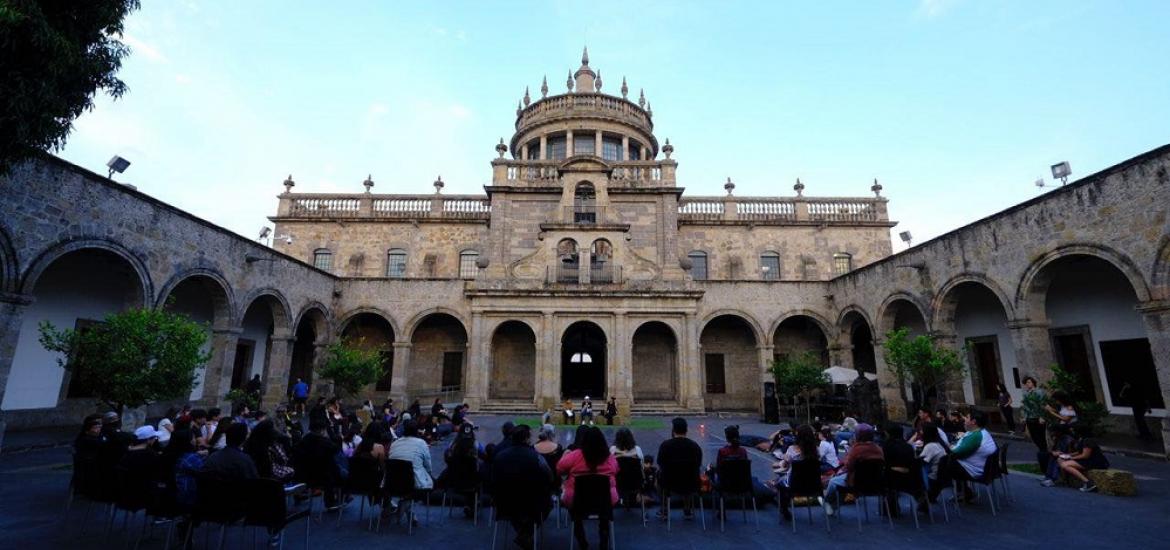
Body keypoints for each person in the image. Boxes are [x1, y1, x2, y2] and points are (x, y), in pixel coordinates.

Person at [492, 424, 553, 550]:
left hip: (504, 502)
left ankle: (522, 532)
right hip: (531, 503)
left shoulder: (499, 457)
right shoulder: (536, 457)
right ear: (527, 439)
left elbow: (493, 479)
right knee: (547, 504)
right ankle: (526, 533)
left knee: (514, 509)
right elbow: (549, 476)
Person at [557, 426, 618, 550]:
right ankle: (604, 540)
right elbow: (615, 469)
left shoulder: (575, 455)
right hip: (604, 500)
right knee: (604, 510)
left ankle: (582, 541)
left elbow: (560, 468)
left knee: (574, 510)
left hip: (578, 500)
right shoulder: (608, 457)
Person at [823, 423, 883, 517]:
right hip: (876, 483)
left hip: (856, 481)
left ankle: (827, 502)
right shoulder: (879, 449)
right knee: (841, 482)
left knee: (833, 482)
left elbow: (848, 466)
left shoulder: (857, 449)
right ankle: (832, 506)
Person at [655, 417, 703, 520]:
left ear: (673, 430)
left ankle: (664, 510)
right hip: (690, 482)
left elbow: (660, 463)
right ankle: (687, 509)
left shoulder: (665, 446)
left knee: (659, 477)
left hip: (670, 483)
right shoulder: (695, 446)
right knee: (688, 475)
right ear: (686, 430)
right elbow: (698, 464)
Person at [770, 424, 818, 521]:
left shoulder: (792, 449)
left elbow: (784, 465)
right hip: (813, 484)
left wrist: (783, 461)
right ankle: (784, 506)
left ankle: (784, 509)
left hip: (795, 484)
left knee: (779, 482)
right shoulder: (816, 450)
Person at [294, 418, 344, 507]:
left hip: (306, 475)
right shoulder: (324, 442)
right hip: (323, 476)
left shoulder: (303, 441)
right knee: (337, 470)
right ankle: (332, 502)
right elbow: (337, 449)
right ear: (322, 430)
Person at [948, 411, 997, 502]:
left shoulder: (976, 436)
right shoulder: (980, 432)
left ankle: (931, 494)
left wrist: (948, 446)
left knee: (945, 463)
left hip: (975, 470)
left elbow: (955, 453)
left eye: (966, 418)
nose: (964, 420)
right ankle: (964, 492)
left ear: (973, 422)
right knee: (947, 462)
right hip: (982, 468)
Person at [386, 420, 433, 511]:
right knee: (429, 483)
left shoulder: (395, 443)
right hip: (413, 484)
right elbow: (428, 466)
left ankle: (406, 506)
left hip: (392, 482)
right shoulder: (421, 443)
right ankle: (407, 506)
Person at [1055, 426, 1108, 492]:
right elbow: (1079, 452)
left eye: (1073, 430)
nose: (1072, 432)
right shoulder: (1082, 439)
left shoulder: (1088, 440)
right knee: (1060, 459)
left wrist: (1071, 458)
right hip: (1088, 460)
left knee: (1064, 465)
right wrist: (1067, 455)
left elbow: (1085, 455)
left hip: (1095, 462)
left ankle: (1088, 483)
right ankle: (1064, 480)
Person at [881, 423, 916, 517]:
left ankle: (888, 509)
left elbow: (885, 462)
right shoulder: (908, 446)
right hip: (910, 479)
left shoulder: (887, 446)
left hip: (892, 478)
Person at [1020, 376, 1049, 464]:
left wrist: (1042, 416)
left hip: (1038, 418)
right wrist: (1024, 417)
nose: (1028, 384)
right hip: (1030, 418)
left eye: (1029, 382)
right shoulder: (1025, 393)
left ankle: (1044, 454)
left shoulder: (1039, 392)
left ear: (1033, 382)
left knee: (1041, 437)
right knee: (1034, 437)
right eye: (1026, 383)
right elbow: (1025, 406)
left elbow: (1042, 404)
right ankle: (1042, 453)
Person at [918, 422, 948, 502]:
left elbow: (920, 462)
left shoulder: (930, 446)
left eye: (922, 430)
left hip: (931, 479)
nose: (920, 432)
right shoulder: (939, 444)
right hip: (941, 477)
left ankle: (922, 500)